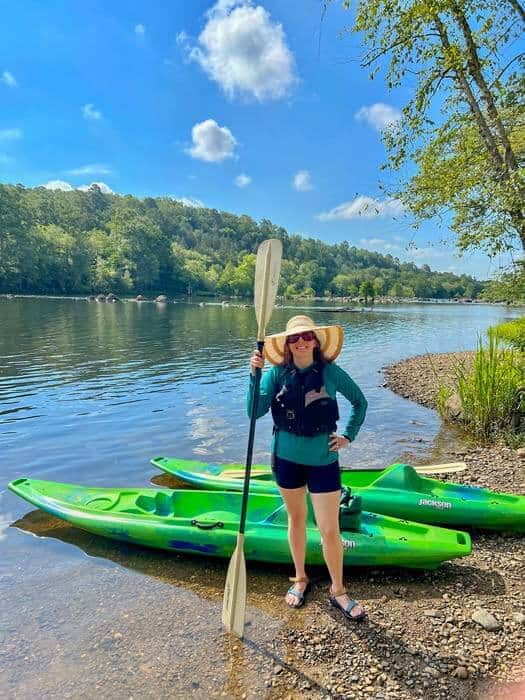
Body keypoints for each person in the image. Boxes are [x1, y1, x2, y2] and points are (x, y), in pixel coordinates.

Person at [247, 315, 368, 621]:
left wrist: (348, 436)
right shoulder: (276, 374)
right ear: (288, 345)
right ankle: (300, 578)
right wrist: (254, 375)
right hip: (286, 459)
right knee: (296, 518)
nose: (300, 342)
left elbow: (360, 402)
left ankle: (338, 589)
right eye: (293, 338)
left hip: (323, 462)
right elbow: (253, 412)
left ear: (316, 341)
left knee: (329, 528)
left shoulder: (330, 372)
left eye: (306, 337)